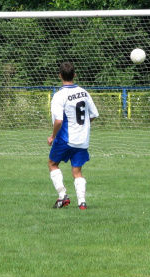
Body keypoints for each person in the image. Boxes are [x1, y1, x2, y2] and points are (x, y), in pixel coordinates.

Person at [47, 62, 99, 210]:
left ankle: (63, 196)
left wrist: (52, 136)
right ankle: (82, 203)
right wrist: (82, 126)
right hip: (83, 140)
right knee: (77, 171)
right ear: (74, 75)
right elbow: (94, 114)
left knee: (52, 164)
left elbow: (58, 121)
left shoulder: (59, 95)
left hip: (66, 138)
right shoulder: (84, 92)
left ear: (60, 76)